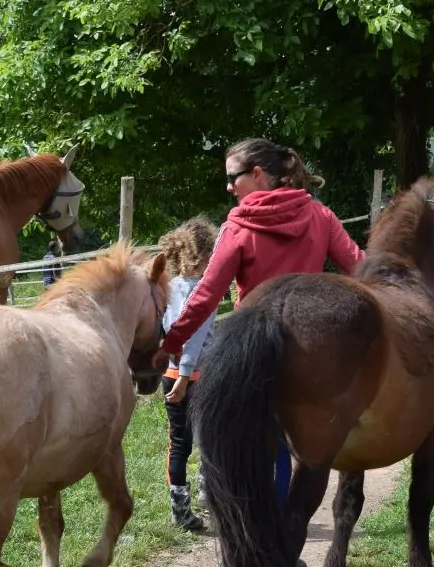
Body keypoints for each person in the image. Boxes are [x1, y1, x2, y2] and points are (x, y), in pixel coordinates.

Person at [152, 137, 364, 511]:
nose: (229, 187)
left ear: (258, 173)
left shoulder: (237, 227)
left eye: (234, 177)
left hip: (253, 355)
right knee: (297, 449)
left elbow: (206, 296)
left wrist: (170, 345)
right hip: (310, 352)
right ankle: (284, 536)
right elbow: (360, 268)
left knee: (244, 450)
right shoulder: (321, 216)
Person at [156, 216, 220, 532]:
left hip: (171, 374)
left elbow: (166, 331)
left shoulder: (167, 288)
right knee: (210, 436)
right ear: (206, 255)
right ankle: (209, 494)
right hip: (196, 377)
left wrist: (174, 373)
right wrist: (184, 376)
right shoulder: (203, 292)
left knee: (179, 442)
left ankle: (181, 510)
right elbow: (192, 336)